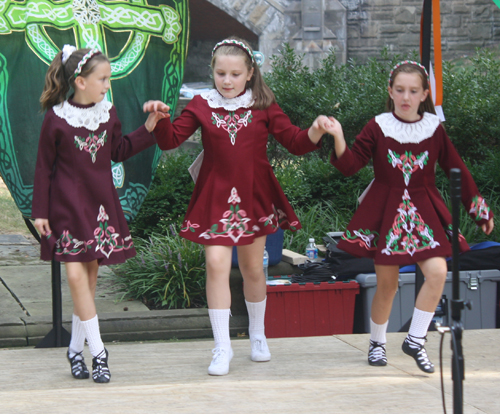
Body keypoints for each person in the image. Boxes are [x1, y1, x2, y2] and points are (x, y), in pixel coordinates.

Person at [144, 37, 331, 376]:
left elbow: (294, 141)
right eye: (220, 73)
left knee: (253, 269)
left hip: (254, 196)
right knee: (216, 264)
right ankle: (222, 347)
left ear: (249, 73)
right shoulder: (202, 104)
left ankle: (257, 335)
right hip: (215, 196)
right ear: (212, 73)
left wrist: (316, 131)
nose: (227, 81)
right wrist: (160, 120)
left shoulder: (264, 104)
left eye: (234, 74)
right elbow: (172, 139)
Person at [325, 60, 494, 373]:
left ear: (424, 94)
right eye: (400, 90)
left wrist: (479, 209)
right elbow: (350, 165)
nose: (406, 97)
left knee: (438, 272)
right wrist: (337, 136)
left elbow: (456, 168)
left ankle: (415, 339)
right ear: (390, 92)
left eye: (413, 91)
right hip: (386, 212)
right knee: (387, 287)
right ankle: (377, 343)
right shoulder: (377, 126)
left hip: (424, 212)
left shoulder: (433, 129)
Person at [32, 45, 167, 383]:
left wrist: (149, 128)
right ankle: (99, 354)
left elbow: (118, 150)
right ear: (80, 81)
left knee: (88, 284)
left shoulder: (108, 113)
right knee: (77, 278)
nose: (108, 84)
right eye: (103, 78)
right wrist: (39, 212)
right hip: (66, 210)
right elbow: (43, 168)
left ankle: (75, 350)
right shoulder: (56, 118)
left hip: (100, 208)